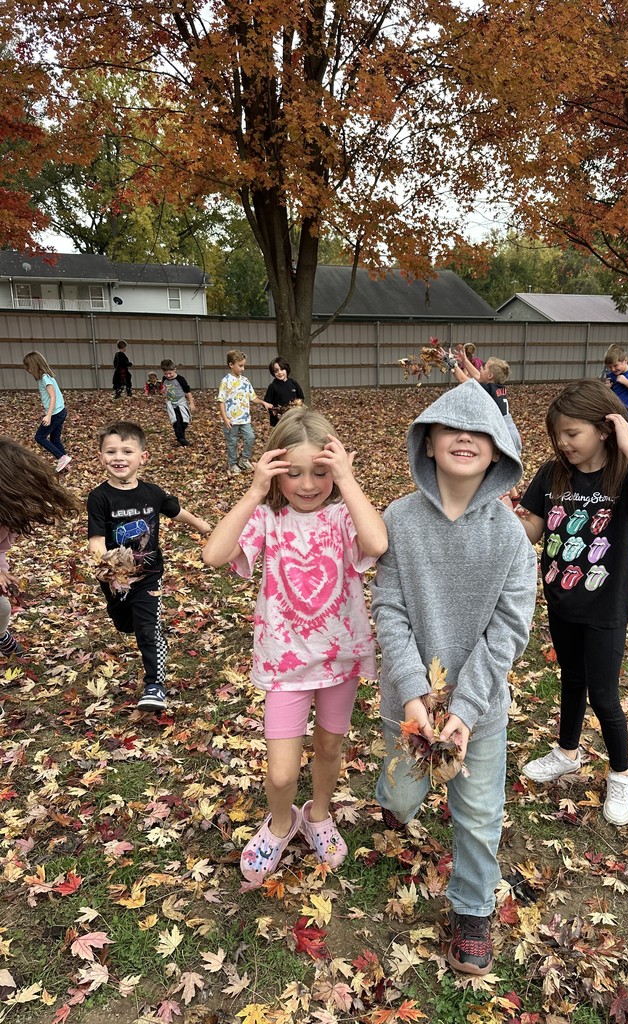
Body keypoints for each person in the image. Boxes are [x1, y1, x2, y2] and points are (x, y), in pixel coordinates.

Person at [372, 379, 537, 976]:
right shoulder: (399, 520)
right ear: (429, 441)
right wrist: (415, 694)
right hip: (408, 702)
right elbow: (387, 609)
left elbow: (509, 630)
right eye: (450, 428)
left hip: (480, 708)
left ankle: (471, 909)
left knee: (478, 812)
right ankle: (391, 803)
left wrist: (465, 712)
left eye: (481, 432)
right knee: (402, 790)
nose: (464, 437)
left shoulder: (512, 540)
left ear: (498, 452)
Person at [203, 407, 387, 886]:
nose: (308, 484)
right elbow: (213, 554)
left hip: (339, 660)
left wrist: (346, 481)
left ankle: (319, 813)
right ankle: (281, 822)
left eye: (320, 472)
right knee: (281, 775)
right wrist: (253, 490)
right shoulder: (267, 518)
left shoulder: (344, 515)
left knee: (329, 746)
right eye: (295, 473)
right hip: (284, 664)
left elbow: (377, 542)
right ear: (277, 475)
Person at [517, 380, 628, 827]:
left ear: (603, 429)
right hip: (563, 599)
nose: (563, 443)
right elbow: (534, 533)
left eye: (572, 434)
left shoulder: (622, 475)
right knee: (571, 679)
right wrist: (517, 520)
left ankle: (621, 773)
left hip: (605, 607)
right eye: (558, 435)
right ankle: (567, 751)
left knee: (604, 695)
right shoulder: (552, 473)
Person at [87, 421, 211, 711]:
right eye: (111, 451)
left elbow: (176, 511)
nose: (119, 457)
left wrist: (202, 525)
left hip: (148, 575)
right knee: (124, 623)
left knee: (147, 627)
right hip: (114, 579)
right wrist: (105, 564)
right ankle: (133, 622)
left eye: (127, 451)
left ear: (143, 457)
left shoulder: (152, 493)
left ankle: (155, 685)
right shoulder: (100, 497)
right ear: (101, 457)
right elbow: (95, 540)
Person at [0, 438, 80, 666]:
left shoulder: (8, 516)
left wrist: (3, 576)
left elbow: (1, 549)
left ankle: (1, 636)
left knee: (2, 607)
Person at [449, 350, 522, 453]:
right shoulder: (495, 388)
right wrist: (464, 361)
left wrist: (451, 363)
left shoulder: (487, 389)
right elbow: (479, 376)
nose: (480, 368)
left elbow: (463, 379)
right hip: (511, 430)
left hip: (504, 433)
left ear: (490, 376)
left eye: (483, 367)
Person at [22, 351, 73, 473]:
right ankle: (66, 464)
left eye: (28, 367)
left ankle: (62, 457)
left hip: (55, 413)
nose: (28, 370)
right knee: (55, 439)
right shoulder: (46, 377)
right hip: (60, 412)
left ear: (34, 366)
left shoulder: (45, 378)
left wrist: (48, 415)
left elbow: (53, 397)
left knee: (40, 437)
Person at [217, 349, 263, 476]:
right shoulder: (225, 381)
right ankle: (232, 464)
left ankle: (244, 460)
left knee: (250, 437)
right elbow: (221, 401)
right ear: (231, 365)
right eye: (240, 365)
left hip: (244, 419)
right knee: (232, 442)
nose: (243, 368)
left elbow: (252, 397)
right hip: (231, 420)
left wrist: (263, 403)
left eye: (244, 365)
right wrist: (225, 418)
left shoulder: (245, 381)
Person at [160, 359, 195, 446]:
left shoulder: (180, 379)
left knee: (185, 421)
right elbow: (164, 388)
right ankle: (181, 438)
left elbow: (188, 392)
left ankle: (181, 434)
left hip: (181, 402)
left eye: (170, 373)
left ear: (175, 369)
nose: (168, 375)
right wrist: (163, 392)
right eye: (166, 373)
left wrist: (191, 403)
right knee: (176, 421)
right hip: (171, 403)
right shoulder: (164, 379)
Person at [263, 357, 305, 428]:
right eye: (276, 371)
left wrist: (296, 406)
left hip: (294, 418)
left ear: (286, 369)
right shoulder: (273, 386)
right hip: (279, 422)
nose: (279, 372)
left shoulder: (293, 383)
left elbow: (301, 397)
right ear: (273, 373)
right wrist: (275, 413)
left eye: (282, 369)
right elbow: (267, 403)